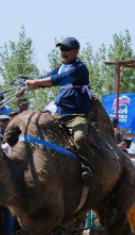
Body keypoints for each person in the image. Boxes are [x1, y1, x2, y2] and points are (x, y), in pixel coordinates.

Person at [23, 37, 95, 184]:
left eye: (67, 49)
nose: (63, 52)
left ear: (76, 51)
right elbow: (46, 79)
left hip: (77, 115)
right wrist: (26, 87)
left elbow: (59, 80)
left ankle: (88, 167)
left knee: (79, 138)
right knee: (36, 129)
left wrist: (36, 83)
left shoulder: (80, 68)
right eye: (62, 49)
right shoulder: (61, 67)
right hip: (59, 113)